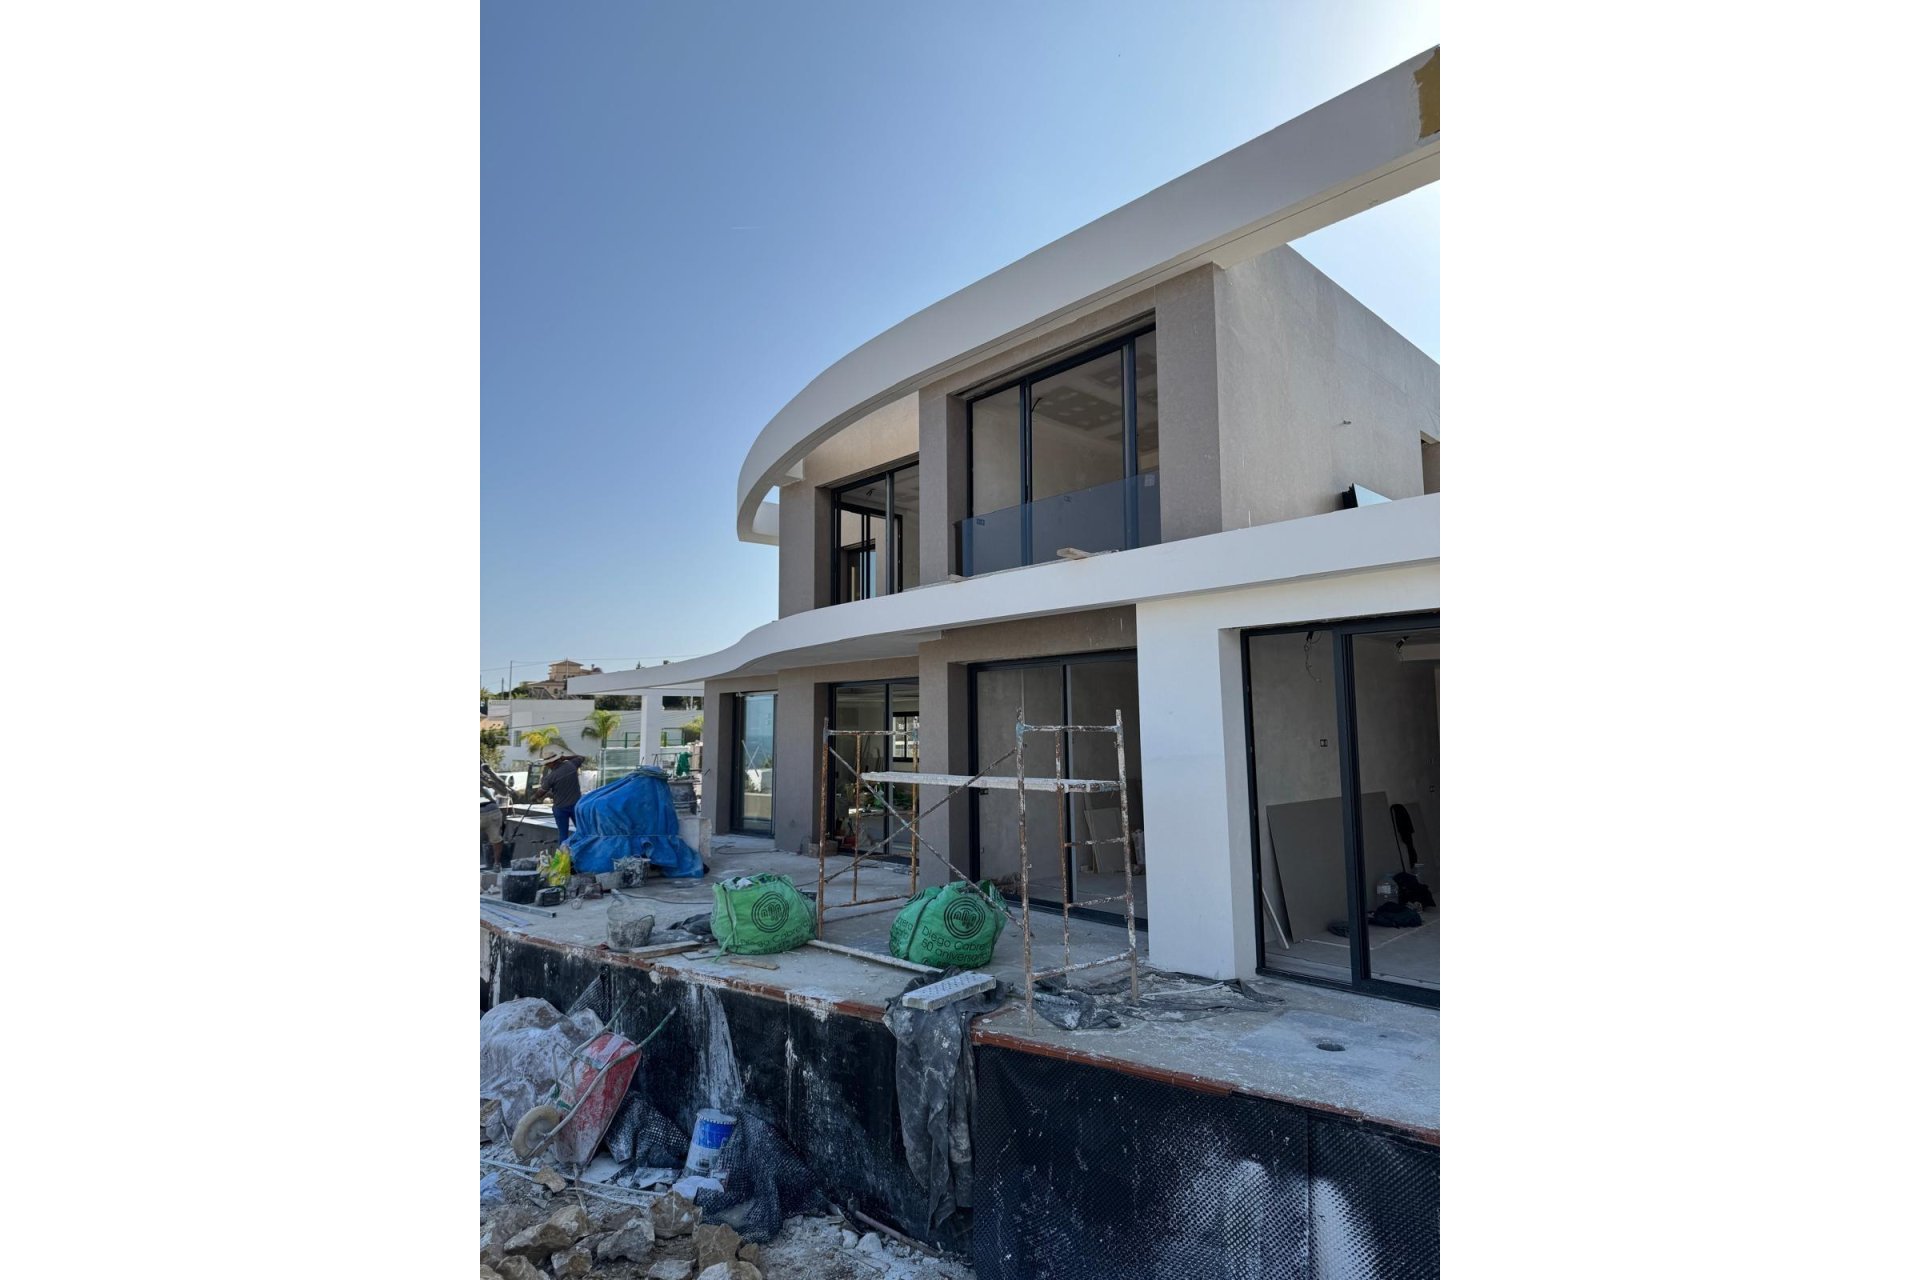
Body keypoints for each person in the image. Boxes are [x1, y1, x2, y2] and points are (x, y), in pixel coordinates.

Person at [528, 743, 587, 845]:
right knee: (582, 832)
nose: (546, 765)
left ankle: (563, 853)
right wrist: (566, 758)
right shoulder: (571, 765)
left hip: (560, 808)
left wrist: (534, 797)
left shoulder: (551, 777)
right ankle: (584, 850)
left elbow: (541, 792)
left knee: (563, 835)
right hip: (575, 805)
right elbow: (582, 757)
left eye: (547, 763)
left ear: (552, 763)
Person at [481, 761, 514, 869]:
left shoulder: (486, 776)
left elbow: (504, 791)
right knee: (496, 839)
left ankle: (496, 864)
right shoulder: (487, 775)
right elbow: (504, 791)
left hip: (486, 810)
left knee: (495, 839)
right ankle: (496, 864)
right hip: (493, 809)